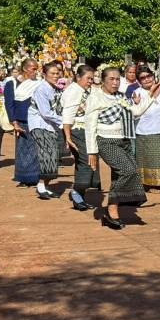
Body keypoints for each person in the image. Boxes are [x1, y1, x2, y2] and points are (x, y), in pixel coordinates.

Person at [85, 65, 153, 230]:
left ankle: (112, 212)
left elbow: (135, 112)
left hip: (124, 140)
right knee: (128, 170)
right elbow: (90, 125)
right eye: (111, 79)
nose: (115, 83)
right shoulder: (96, 98)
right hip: (105, 141)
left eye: (117, 79)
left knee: (120, 175)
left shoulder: (120, 97)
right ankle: (112, 208)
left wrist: (151, 96)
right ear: (103, 80)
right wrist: (92, 151)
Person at [28, 60, 65, 200]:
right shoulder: (41, 89)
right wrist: (64, 121)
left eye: (57, 73)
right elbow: (45, 113)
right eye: (52, 73)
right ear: (44, 74)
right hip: (39, 124)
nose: (55, 76)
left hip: (50, 125)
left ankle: (45, 185)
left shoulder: (55, 88)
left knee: (53, 154)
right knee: (47, 153)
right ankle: (41, 185)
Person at [61, 64, 97, 210]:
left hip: (86, 130)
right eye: (88, 78)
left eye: (92, 78)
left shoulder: (86, 90)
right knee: (86, 161)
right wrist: (68, 137)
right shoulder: (73, 91)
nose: (90, 81)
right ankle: (77, 193)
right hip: (77, 130)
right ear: (78, 77)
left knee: (84, 162)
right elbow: (67, 116)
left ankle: (79, 194)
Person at [133, 67, 160, 190]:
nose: (146, 79)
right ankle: (145, 183)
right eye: (142, 78)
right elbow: (136, 112)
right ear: (139, 81)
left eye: (148, 76)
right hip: (143, 130)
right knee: (144, 158)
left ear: (153, 76)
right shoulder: (137, 92)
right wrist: (136, 103)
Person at [4, 59, 41, 187]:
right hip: (21, 121)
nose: (36, 72)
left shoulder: (39, 83)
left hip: (36, 121)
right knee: (22, 150)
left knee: (36, 149)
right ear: (25, 69)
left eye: (37, 69)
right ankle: (24, 178)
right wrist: (14, 122)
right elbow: (9, 104)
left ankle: (35, 177)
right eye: (33, 69)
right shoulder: (12, 83)